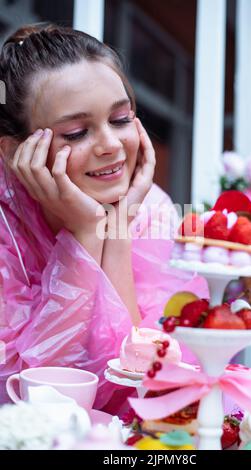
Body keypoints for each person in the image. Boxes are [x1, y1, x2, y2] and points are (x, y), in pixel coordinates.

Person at [0, 23, 208, 414]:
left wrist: (116, 233)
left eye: (121, 119)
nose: (111, 146)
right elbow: (26, 399)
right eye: (77, 133)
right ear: (16, 153)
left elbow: (150, 398)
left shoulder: (151, 210)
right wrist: (83, 236)